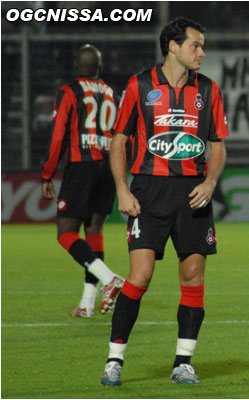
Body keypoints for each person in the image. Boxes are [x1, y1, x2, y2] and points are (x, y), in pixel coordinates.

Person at [100, 17, 229, 386]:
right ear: (173, 47)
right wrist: (123, 190)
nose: (202, 53)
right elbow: (120, 140)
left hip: (193, 194)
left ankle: (183, 362)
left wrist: (211, 180)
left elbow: (217, 143)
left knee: (193, 277)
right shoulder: (140, 85)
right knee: (139, 277)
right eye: (196, 45)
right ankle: (115, 359)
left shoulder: (209, 90)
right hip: (149, 192)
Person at [41, 45, 124, 318]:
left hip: (82, 165)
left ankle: (109, 278)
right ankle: (88, 304)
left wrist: (48, 173)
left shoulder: (69, 91)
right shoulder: (112, 93)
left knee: (65, 233)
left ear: (76, 67)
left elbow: (58, 135)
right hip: (108, 165)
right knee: (94, 231)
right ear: (100, 68)